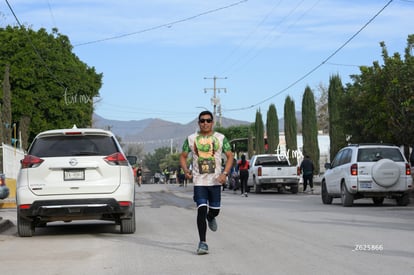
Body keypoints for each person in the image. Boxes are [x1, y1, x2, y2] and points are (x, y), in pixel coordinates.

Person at [180, 110, 233, 255]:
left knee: (215, 210)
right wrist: (186, 171)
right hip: (199, 181)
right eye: (202, 121)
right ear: (198, 123)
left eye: (208, 120)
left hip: (216, 181)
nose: (205, 123)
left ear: (212, 122)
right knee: (201, 209)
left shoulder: (221, 138)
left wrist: (225, 174)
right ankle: (202, 242)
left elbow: (229, 156)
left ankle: (211, 217)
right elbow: (183, 156)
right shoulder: (191, 139)